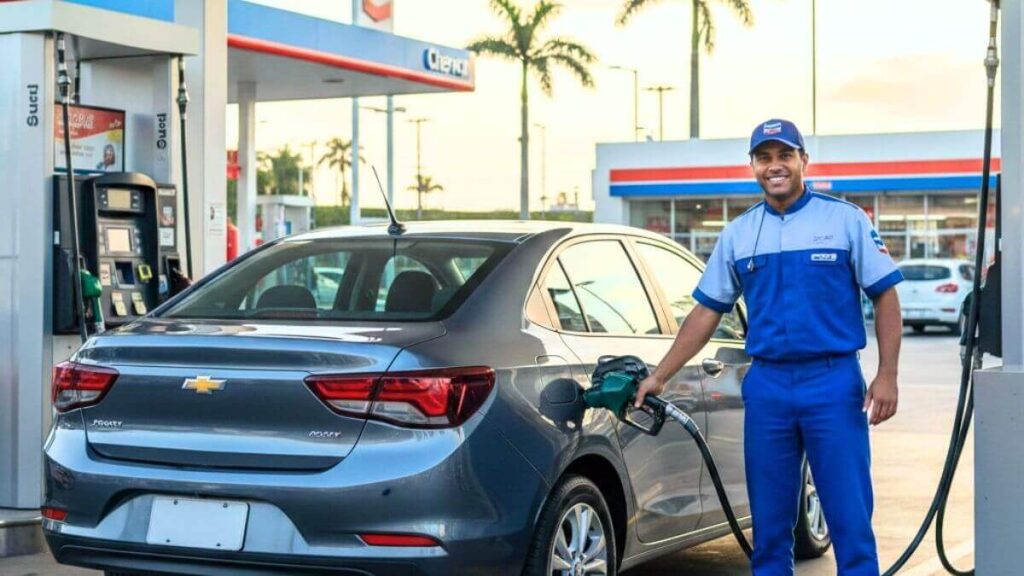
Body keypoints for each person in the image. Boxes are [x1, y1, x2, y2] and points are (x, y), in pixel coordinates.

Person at [634, 119, 903, 576]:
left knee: (850, 518)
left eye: (784, 156)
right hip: (768, 387)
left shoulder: (845, 220)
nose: (775, 166)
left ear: (803, 161)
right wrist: (659, 375)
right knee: (770, 526)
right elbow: (706, 312)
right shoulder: (738, 234)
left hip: (832, 382)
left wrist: (887, 374)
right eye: (765, 157)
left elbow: (885, 296)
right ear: (753, 165)